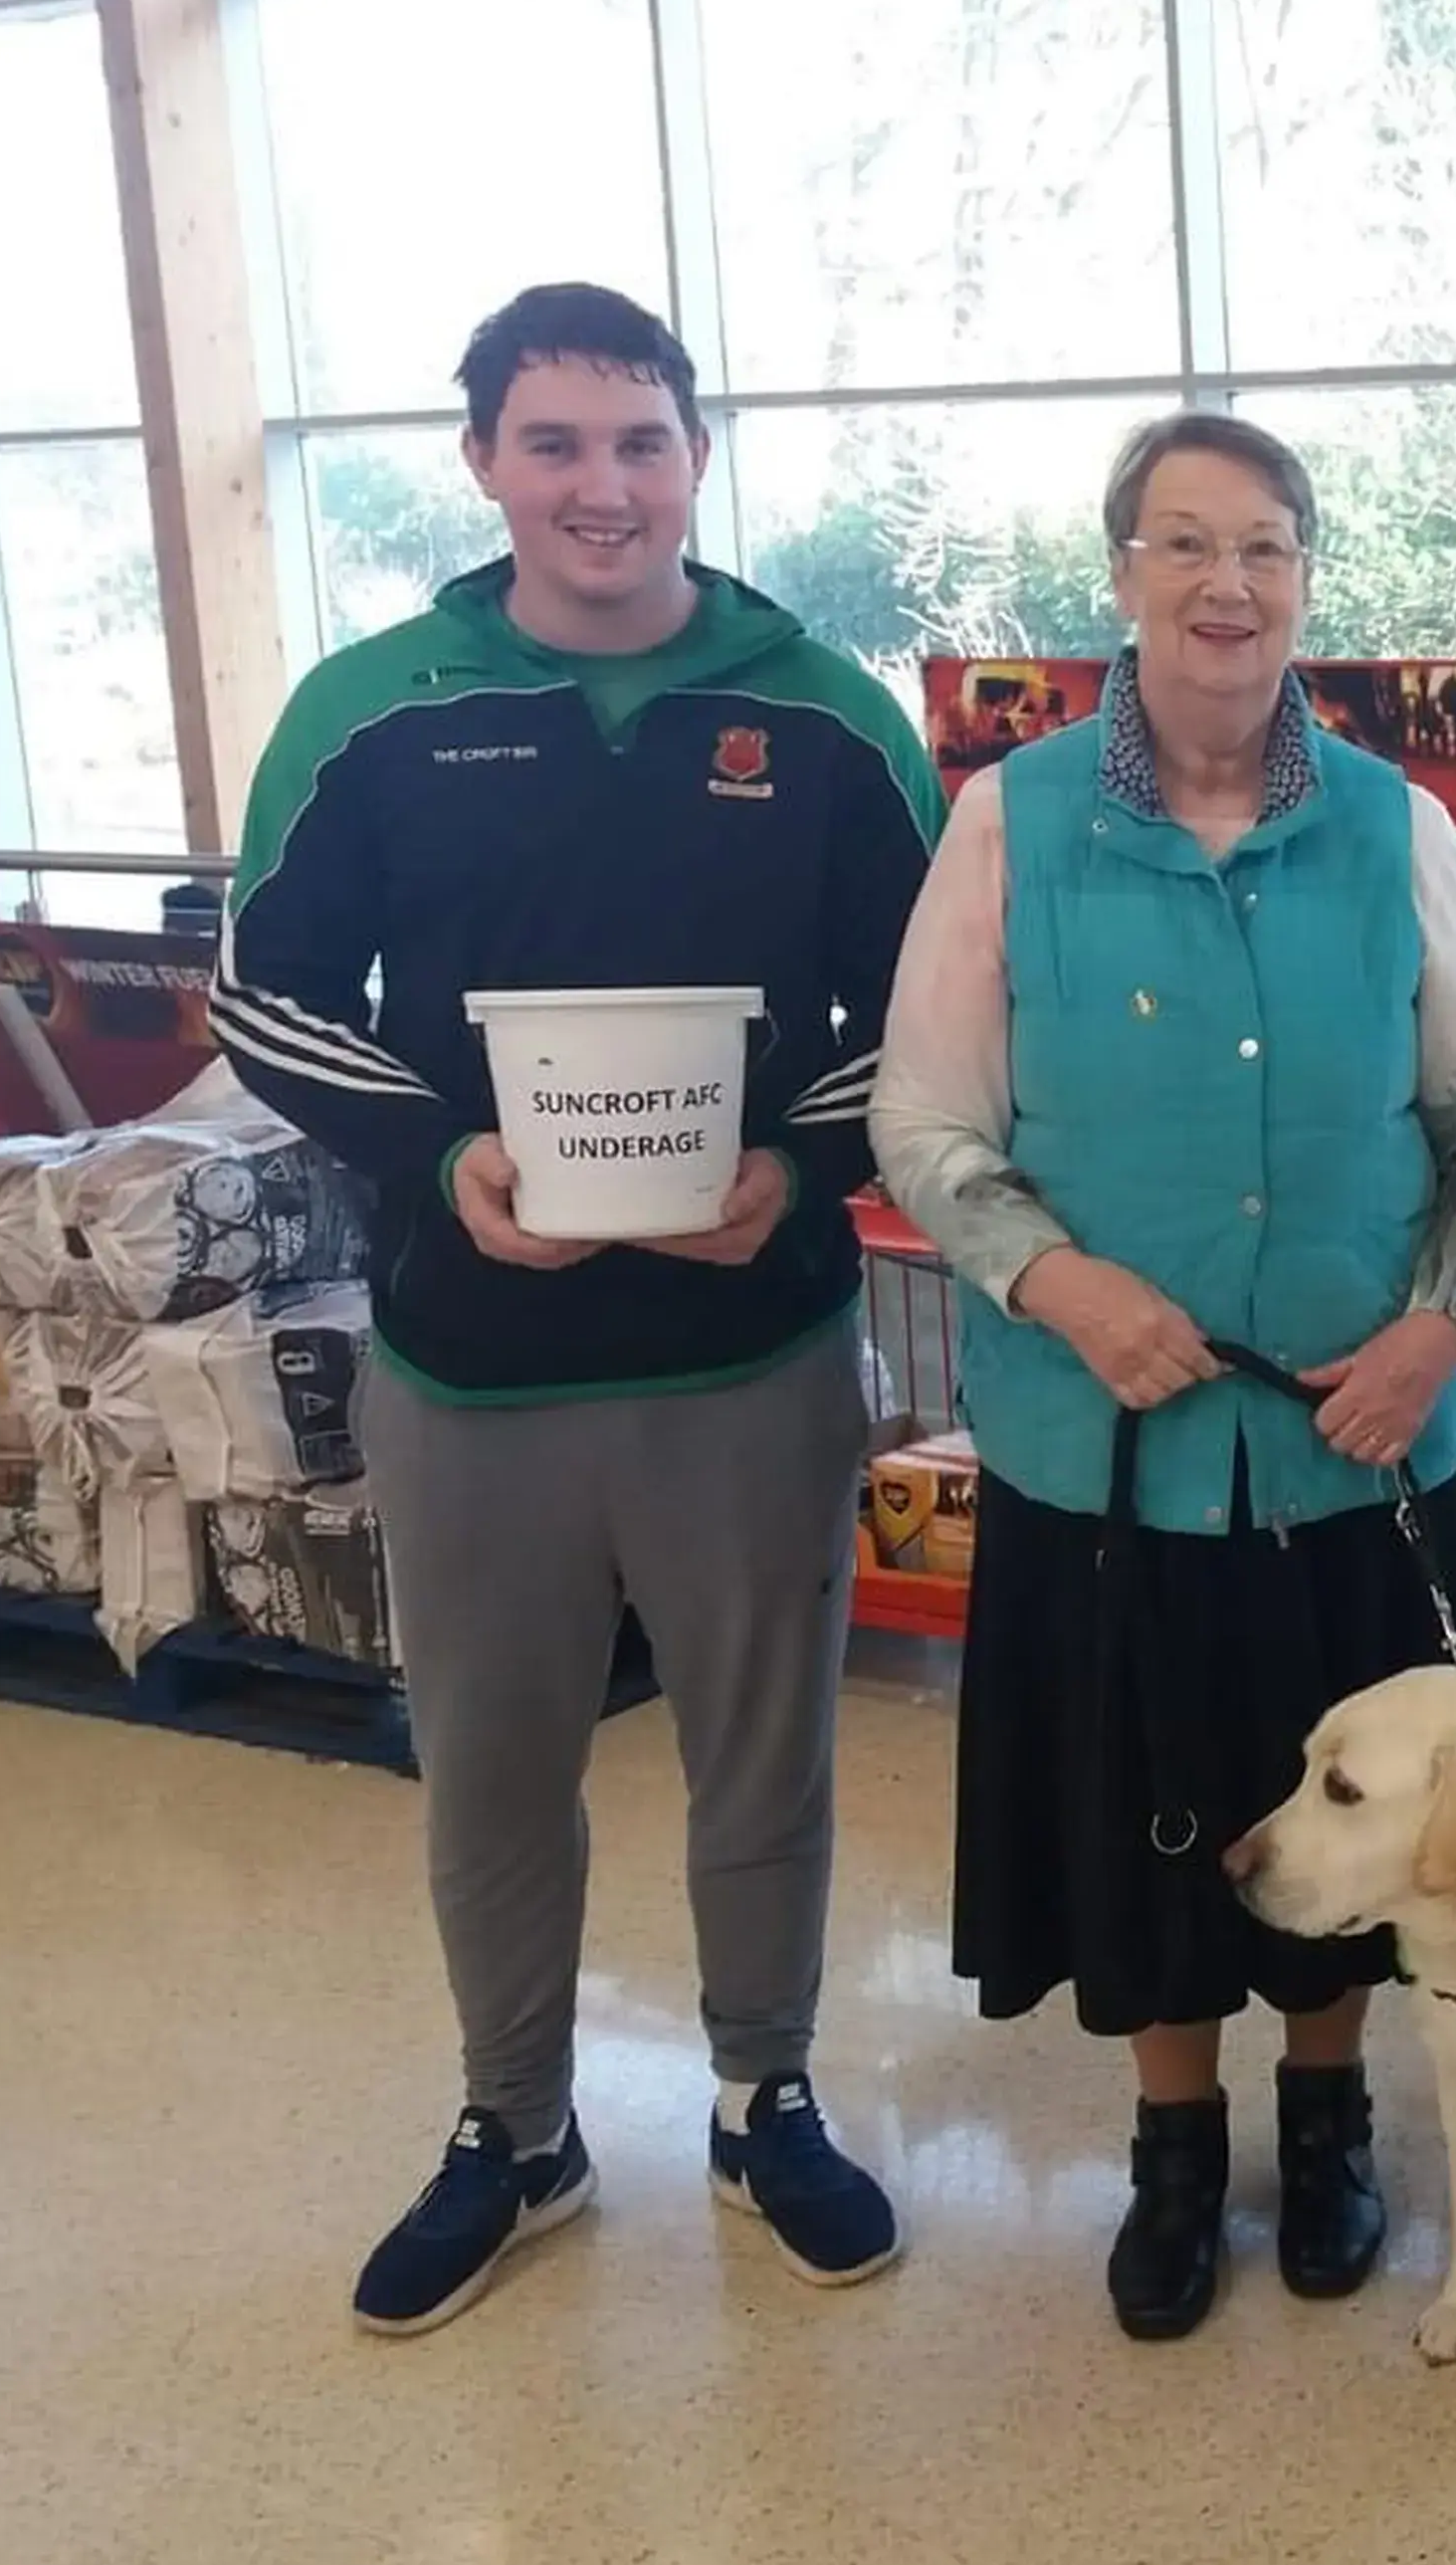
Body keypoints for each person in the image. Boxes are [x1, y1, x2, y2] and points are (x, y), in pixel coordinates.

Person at [216, 282, 939, 2335]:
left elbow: (925, 1012)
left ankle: (761, 2091)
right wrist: (446, 1157)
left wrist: (797, 1168)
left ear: (694, 455)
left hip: (751, 1353)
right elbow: (265, 996)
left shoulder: (816, 712)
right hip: (475, 1361)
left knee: (762, 1755)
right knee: (495, 1761)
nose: (601, 486)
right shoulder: (378, 708)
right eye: (554, 444)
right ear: (484, 466)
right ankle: (515, 2131)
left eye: (639, 442)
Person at [868, 411, 1456, 2341]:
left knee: (1342, 1800)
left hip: (1355, 1444)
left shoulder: (1398, 832)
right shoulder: (1007, 829)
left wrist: (1442, 1328)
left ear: (1305, 582)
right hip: (1110, 1453)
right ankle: (1176, 2153)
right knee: (1144, 1798)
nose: (1227, 585)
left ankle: (1326, 2121)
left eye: (1264, 547)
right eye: (1185, 546)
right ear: (1122, 580)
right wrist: (1060, 1282)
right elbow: (924, 1129)